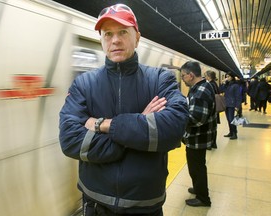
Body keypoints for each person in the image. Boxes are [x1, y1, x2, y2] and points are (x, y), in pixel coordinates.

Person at [59, 3, 189, 216]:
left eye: (122, 32)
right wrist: (139, 126)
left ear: (137, 37)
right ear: (101, 40)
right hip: (95, 203)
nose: (115, 40)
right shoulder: (83, 84)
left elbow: (175, 128)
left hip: (145, 205)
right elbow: (70, 141)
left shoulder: (160, 80)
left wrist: (103, 125)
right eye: (108, 34)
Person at [180, 61, 216, 207]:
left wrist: (177, 116)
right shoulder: (201, 87)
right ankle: (198, 188)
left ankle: (203, 198)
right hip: (199, 136)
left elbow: (196, 118)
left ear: (191, 75)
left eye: (183, 76)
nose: (182, 78)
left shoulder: (200, 91)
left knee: (197, 167)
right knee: (196, 166)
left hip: (198, 137)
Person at [220, 73, 242, 140]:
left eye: (228, 76)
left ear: (232, 77)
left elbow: (238, 96)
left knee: (231, 119)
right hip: (226, 104)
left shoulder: (235, 85)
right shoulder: (227, 85)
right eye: (226, 76)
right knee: (228, 119)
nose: (227, 78)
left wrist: (237, 106)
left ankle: (234, 133)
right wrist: (223, 83)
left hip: (232, 105)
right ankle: (231, 132)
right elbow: (220, 90)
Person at [204, 70, 220, 149]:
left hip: (211, 108)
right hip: (215, 108)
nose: (205, 77)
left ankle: (210, 144)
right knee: (214, 127)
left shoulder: (210, 85)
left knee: (210, 127)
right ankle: (213, 143)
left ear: (209, 77)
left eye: (206, 76)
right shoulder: (215, 84)